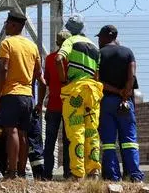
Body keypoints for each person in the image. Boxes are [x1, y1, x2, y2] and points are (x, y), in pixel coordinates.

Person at [0, 10, 42, 180]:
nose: (5, 25)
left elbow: (3, 70)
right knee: (23, 133)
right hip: (27, 95)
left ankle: (12, 171)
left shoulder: (7, 43)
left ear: (14, 25)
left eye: (7, 23)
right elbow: (38, 75)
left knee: (11, 131)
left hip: (11, 94)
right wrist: (39, 100)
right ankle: (21, 171)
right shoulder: (32, 46)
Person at [97, 24, 143, 182]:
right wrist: (125, 94)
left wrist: (116, 92)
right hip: (126, 102)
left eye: (99, 37)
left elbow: (98, 81)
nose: (99, 41)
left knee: (109, 142)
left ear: (104, 37)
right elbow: (131, 76)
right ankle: (134, 175)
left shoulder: (99, 54)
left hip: (107, 101)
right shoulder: (128, 52)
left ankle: (112, 176)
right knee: (129, 141)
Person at [57, 14, 102, 178]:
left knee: (76, 131)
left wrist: (63, 79)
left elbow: (58, 58)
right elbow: (97, 73)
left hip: (75, 89)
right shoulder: (95, 47)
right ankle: (94, 170)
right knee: (92, 131)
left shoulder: (70, 41)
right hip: (93, 91)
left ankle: (77, 173)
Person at [40, 29, 71, 179]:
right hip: (69, 105)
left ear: (57, 42)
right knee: (68, 140)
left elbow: (45, 82)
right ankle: (68, 172)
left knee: (50, 140)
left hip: (53, 104)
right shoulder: (72, 60)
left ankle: (47, 173)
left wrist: (40, 103)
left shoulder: (50, 58)